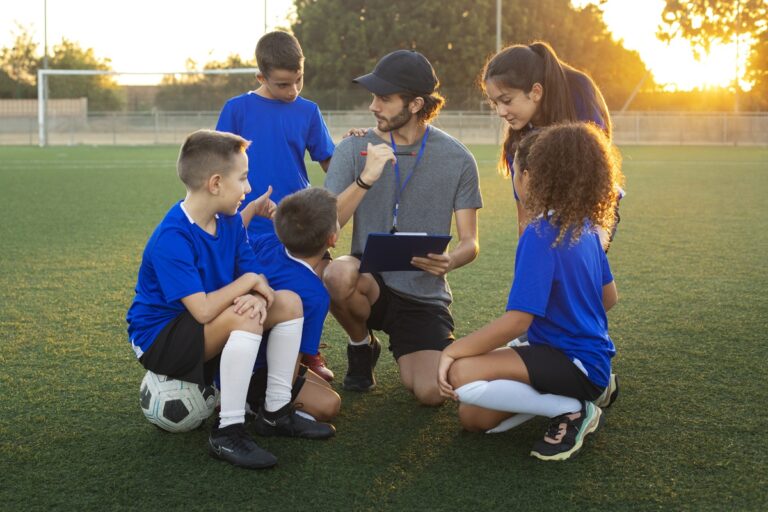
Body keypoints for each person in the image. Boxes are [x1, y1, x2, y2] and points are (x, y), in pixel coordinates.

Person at [126, 130, 333, 471]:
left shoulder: (231, 220)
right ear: (216, 183)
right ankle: (227, 431)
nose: (248, 188)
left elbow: (256, 276)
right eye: (244, 178)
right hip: (160, 339)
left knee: (289, 302)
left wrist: (256, 290)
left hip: (205, 322)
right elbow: (203, 309)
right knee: (246, 316)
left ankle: (275, 414)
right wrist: (250, 285)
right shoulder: (172, 238)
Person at [437, 123, 624, 461]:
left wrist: (453, 351)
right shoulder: (584, 229)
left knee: (460, 374)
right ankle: (570, 397)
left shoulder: (539, 234)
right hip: (591, 363)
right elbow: (609, 298)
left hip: (573, 365)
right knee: (473, 417)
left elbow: (518, 322)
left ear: (528, 177)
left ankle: (572, 408)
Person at [323, 50, 483, 405]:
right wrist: (366, 179)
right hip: (368, 280)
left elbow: (470, 241)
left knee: (431, 394)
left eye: (384, 98)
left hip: (422, 295)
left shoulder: (458, 158)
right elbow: (328, 225)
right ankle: (361, 345)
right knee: (335, 274)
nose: (373, 106)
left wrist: (452, 260)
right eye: (373, 97)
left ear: (415, 104)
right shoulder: (353, 148)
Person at [216, 30, 336, 380]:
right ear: (261, 77)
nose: (293, 91)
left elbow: (330, 161)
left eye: (298, 80)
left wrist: (353, 151)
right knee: (263, 291)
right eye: (283, 84)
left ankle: (306, 354)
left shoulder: (308, 111)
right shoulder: (236, 110)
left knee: (312, 290)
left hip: (298, 224)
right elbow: (219, 165)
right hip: (250, 226)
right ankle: (258, 361)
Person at [481, 41, 620, 249]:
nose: (500, 112)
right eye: (495, 103)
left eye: (507, 100)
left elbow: (595, 179)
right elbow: (525, 213)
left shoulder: (578, 91)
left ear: (536, 92)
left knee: (579, 266)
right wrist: (527, 261)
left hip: (591, 204)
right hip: (547, 211)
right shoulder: (516, 143)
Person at [241, 187, 341, 423]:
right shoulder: (316, 295)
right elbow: (292, 361)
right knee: (330, 404)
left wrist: (253, 209)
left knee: (322, 386)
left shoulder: (267, 243)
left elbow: (235, 237)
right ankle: (258, 406)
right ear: (332, 239)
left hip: (233, 351)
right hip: (258, 369)